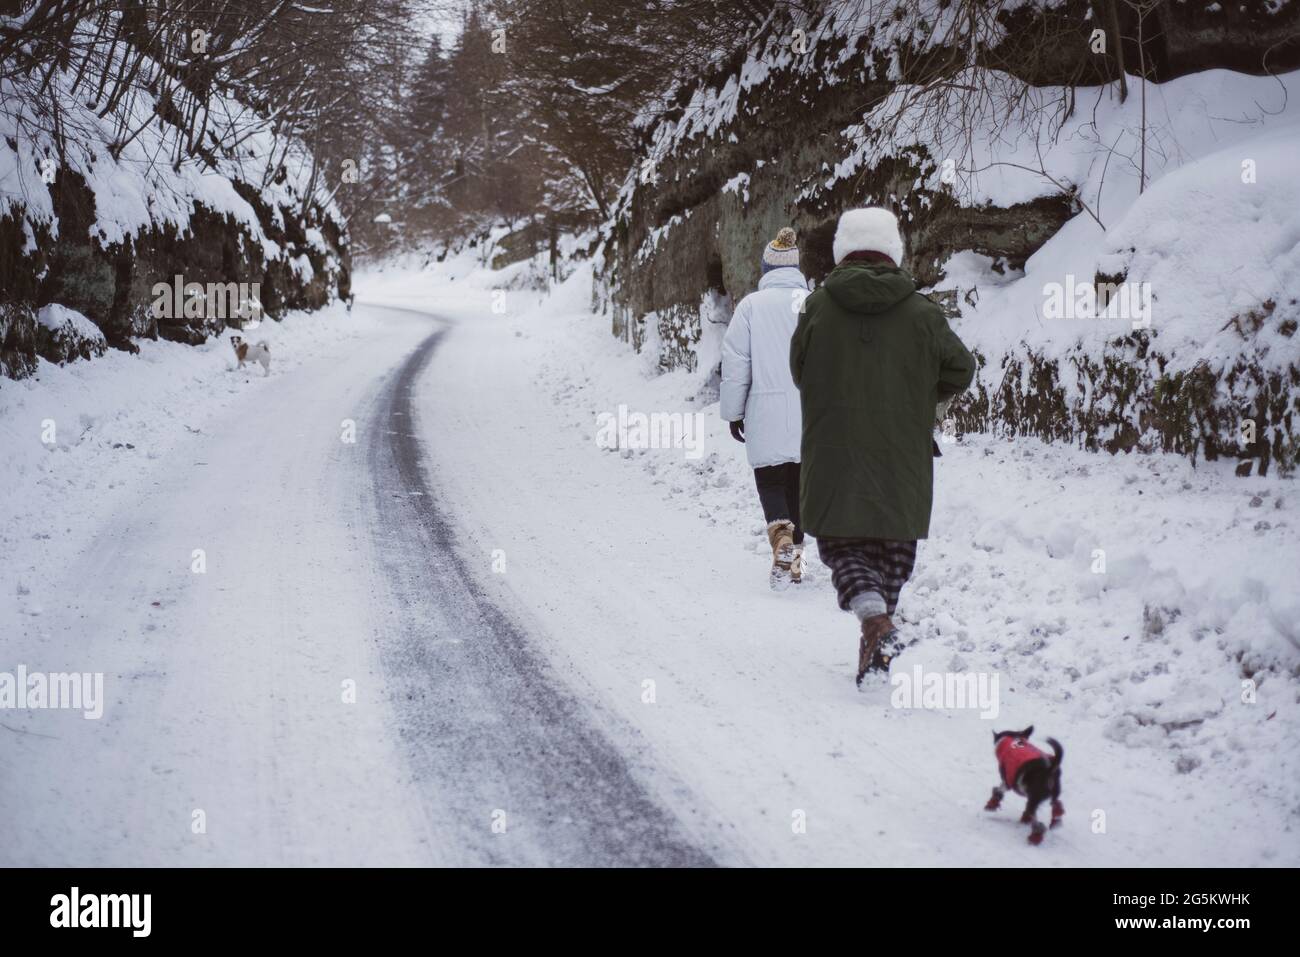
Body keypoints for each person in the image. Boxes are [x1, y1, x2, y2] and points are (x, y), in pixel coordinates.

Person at [790, 207, 975, 686]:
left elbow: (799, 370)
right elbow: (961, 370)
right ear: (894, 250)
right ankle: (879, 630)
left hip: (834, 455)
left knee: (842, 544)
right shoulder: (922, 312)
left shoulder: (817, 308)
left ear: (842, 253)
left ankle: (875, 627)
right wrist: (915, 393)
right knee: (894, 553)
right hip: (902, 459)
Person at [720, 226, 809, 587]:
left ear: (767, 269)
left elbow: (736, 363)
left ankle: (781, 540)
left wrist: (733, 413)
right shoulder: (814, 303)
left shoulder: (750, 307)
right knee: (801, 486)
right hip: (810, 412)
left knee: (771, 483)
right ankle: (797, 565)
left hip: (764, 410)